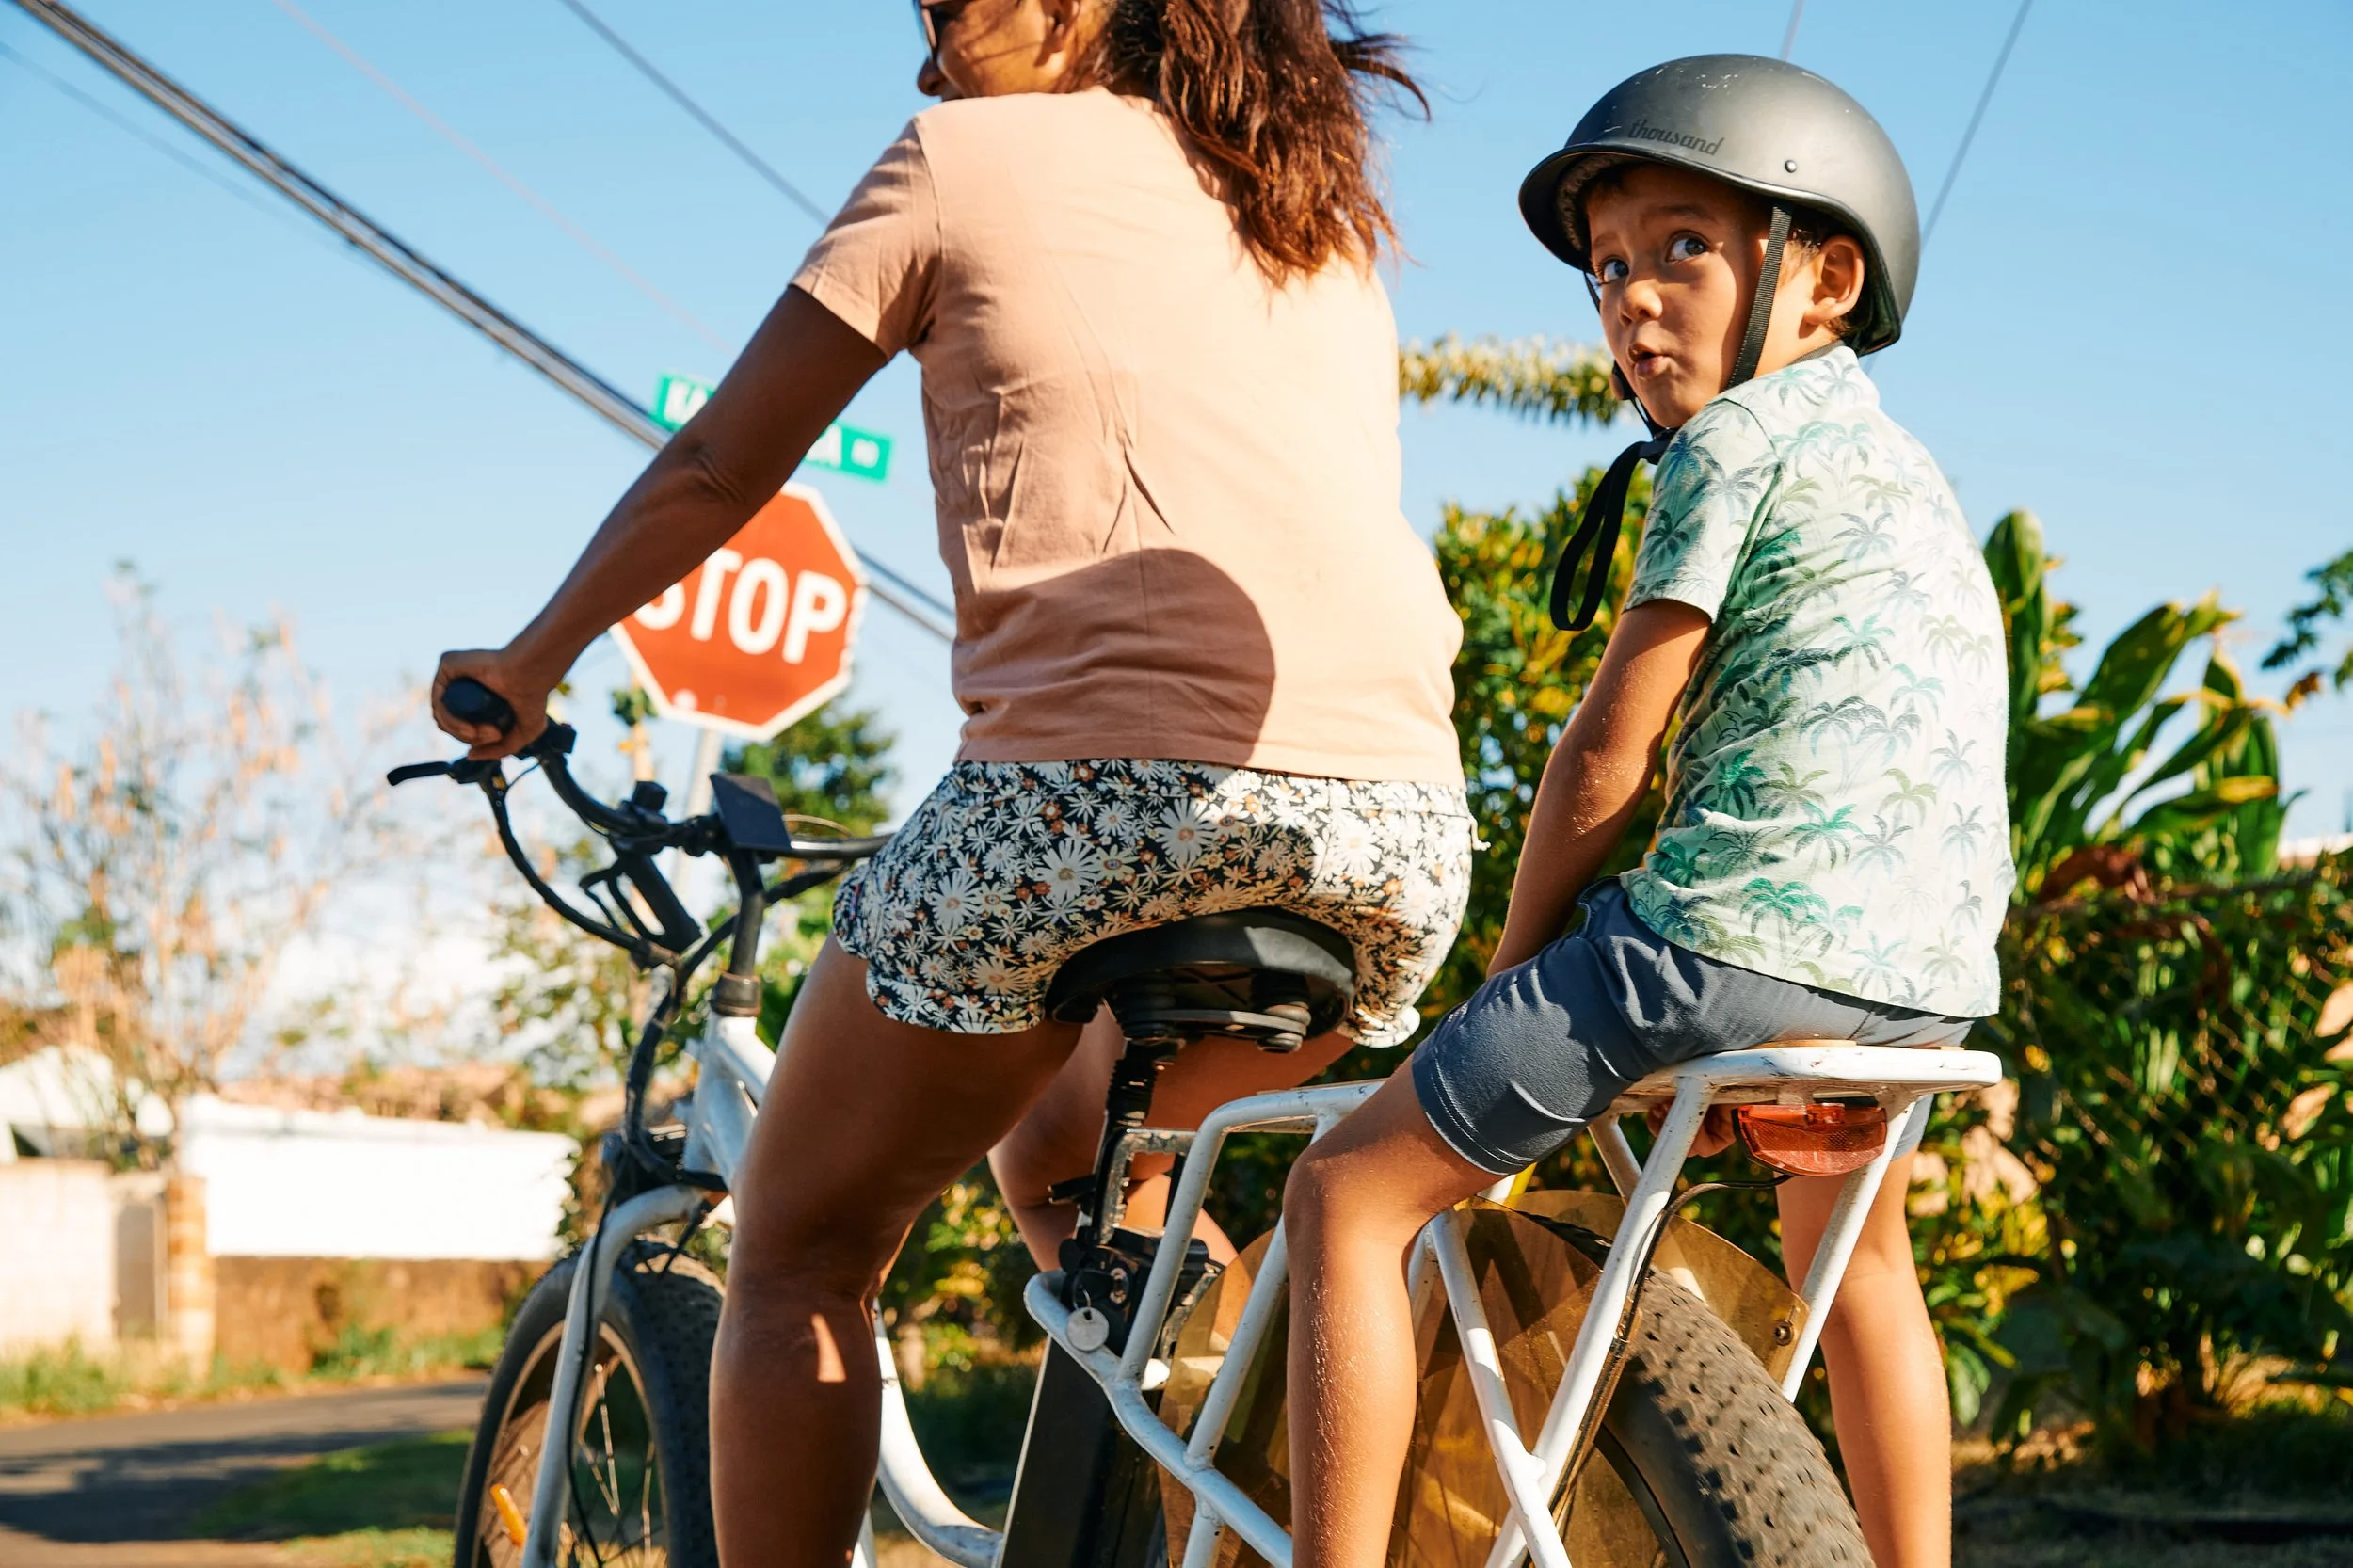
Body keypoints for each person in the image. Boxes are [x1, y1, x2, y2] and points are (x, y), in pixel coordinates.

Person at [430, 1, 1472, 1561]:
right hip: (1392, 837)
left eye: (945, 5)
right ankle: (1191, 1513)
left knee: (802, 1245)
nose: (923, 50)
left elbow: (724, 461)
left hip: (1085, 817)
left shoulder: (958, 159)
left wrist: (528, 660)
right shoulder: (1307, 210)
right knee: (1070, 1146)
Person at [1283, 55, 2013, 1568]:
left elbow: (1605, 761)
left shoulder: (1735, 442)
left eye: (1683, 246)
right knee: (1857, 1255)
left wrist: (1509, 974)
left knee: (1345, 1193)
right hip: (1923, 987)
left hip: (1719, 945)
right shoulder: (1910, 474)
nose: (1629, 297)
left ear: (1822, 278)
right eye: (1607, 266)